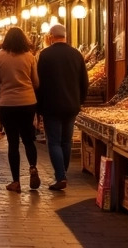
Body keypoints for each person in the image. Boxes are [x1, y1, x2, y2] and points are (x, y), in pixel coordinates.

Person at [35, 23, 88, 191]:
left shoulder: (45, 55)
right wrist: (80, 101)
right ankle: (62, 174)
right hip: (71, 105)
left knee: (54, 142)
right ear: (66, 36)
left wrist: (38, 107)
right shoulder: (76, 55)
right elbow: (84, 82)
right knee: (66, 141)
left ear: (50, 37)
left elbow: (38, 83)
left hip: (51, 105)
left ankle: (60, 176)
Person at [0, 26, 40, 193]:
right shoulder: (30, 56)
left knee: (13, 142)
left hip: (7, 104)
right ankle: (32, 167)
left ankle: (16, 181)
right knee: (28, 139)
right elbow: (36, 82)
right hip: (27, 102)